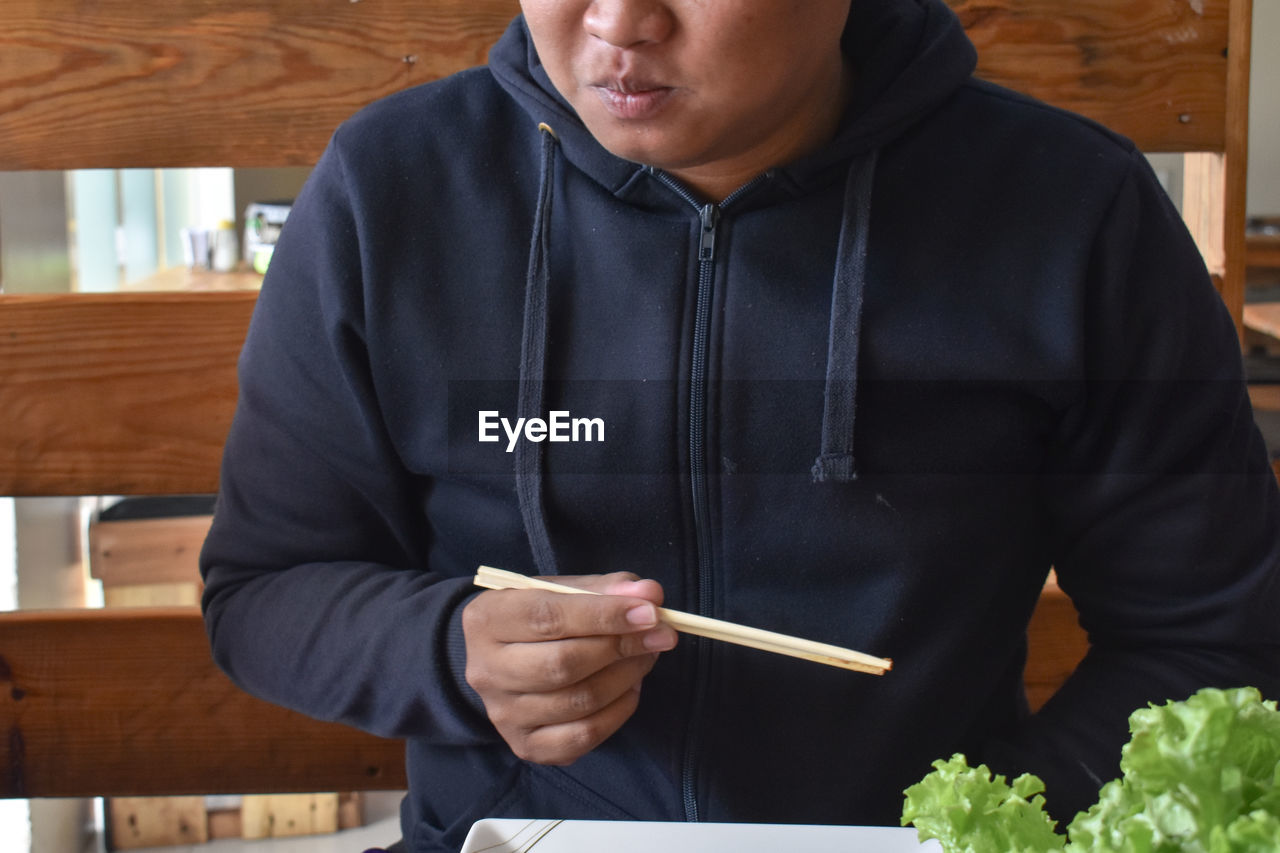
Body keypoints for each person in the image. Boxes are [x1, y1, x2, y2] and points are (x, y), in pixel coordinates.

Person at [199, 1, 1280, 851]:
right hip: (510, 836)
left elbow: (1209, 632)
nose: (620, 24)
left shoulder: (1069, 209)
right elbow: (265, 588)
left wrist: (984, 830)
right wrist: (449, 652)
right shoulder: (394, 191)